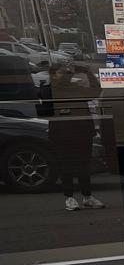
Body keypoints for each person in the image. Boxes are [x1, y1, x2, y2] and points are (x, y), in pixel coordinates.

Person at [43, 59, 104, 211]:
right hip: (62, 134)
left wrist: (88, 73)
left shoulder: (75, 88)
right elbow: (45, 108)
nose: (66, 75)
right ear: (52, 75)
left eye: (67, 72)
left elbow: (96, 91)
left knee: (84, 166)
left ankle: (87, 196)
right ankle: (69, 197)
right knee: (66, 166)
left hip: (82, 131)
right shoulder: (48, 90)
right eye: (62, 73)